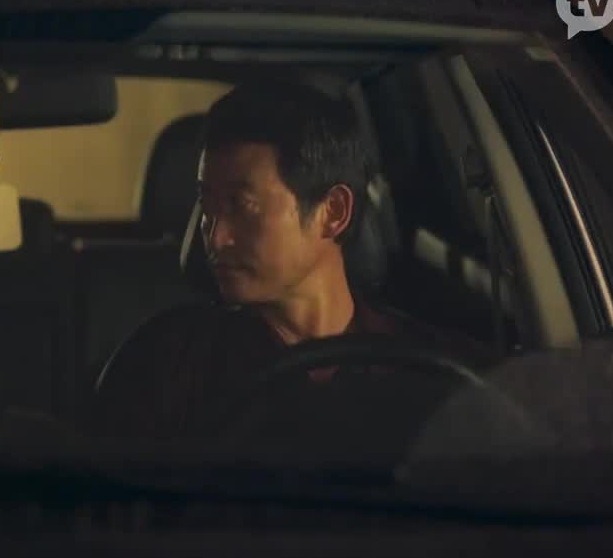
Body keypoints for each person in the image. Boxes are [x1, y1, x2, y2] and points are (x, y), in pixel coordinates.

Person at [90, 81, 491, 441]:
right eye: (208, 208)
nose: (215, 236)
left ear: (332, 212)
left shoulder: (438, 370)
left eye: (241, 206)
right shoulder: (168, 363)